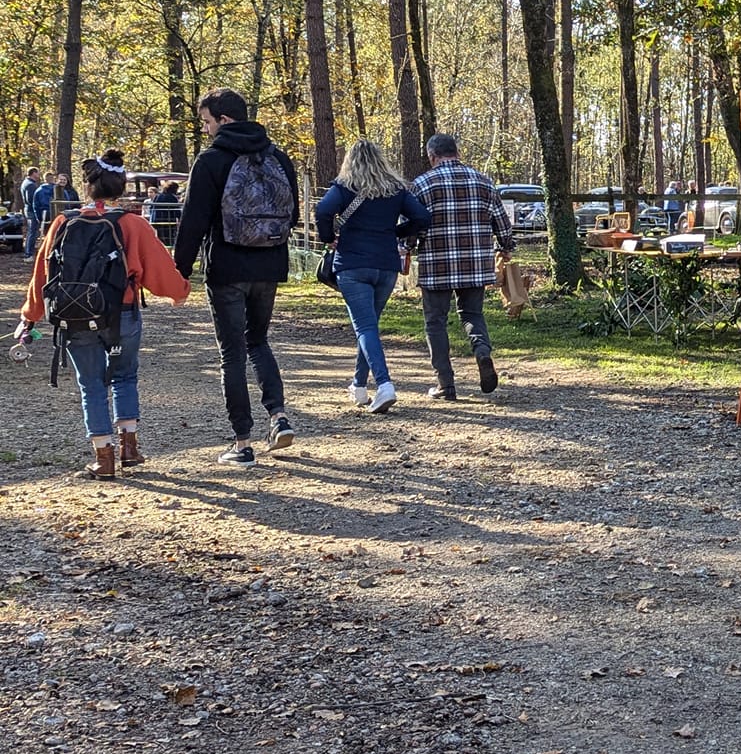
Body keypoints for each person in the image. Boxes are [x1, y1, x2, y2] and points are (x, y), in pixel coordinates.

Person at [15, 151, 189, 480]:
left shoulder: (62, 223)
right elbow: (159, 268)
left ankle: (103, 458)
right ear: (120, 187)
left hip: (75, 315)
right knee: (125, 376)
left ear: (88, 184)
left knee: (90, 384)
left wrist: (30, 315)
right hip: (122, 314)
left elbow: (43, 273)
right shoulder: (133, 224)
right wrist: (178, 292)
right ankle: (130, 447)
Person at [173, 87, 301, 467]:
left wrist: (180, 273)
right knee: (259, 341)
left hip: (228, 267)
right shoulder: (278, 156)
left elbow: (193, 221)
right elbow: (291, 213)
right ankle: (278, 417)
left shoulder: (212, 160)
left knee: (232, 353)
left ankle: (242, 443)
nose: (206, 129)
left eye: (208, 122)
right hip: (270, 264)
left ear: (224, 120)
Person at [317, 139, 432, 414]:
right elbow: (423, 218)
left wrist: (327, 237)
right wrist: (396, 233)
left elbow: (322, 210)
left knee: (366, 327)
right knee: (369, 326)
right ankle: (358, 385)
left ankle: (384, 385)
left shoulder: (344, 187)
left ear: (350, 161)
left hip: (353, 265)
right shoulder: (395, 190)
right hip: (386, 266)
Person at [409, 132, 515, 400]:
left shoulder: (422, 184)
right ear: (457, 153)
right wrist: (505, 246)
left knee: (436, 322)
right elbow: (502, 222)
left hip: (437, 263)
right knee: (472, 314)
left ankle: (446, 384)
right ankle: (482, 352)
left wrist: (407, 247)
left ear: (432, 156)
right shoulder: (484, 181)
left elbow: (412, 225)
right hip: (476, 263)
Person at [19, 166, 41, 255]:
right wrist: (37, 207)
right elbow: (30, 199)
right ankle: (28, 252)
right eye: (38, 173)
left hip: (28, 209)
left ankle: (29, 251)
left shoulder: (27, 183)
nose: (39, 175)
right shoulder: (30, 185)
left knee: (32, 231)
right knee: (32, 231)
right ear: (34, 173)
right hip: (31, 210)